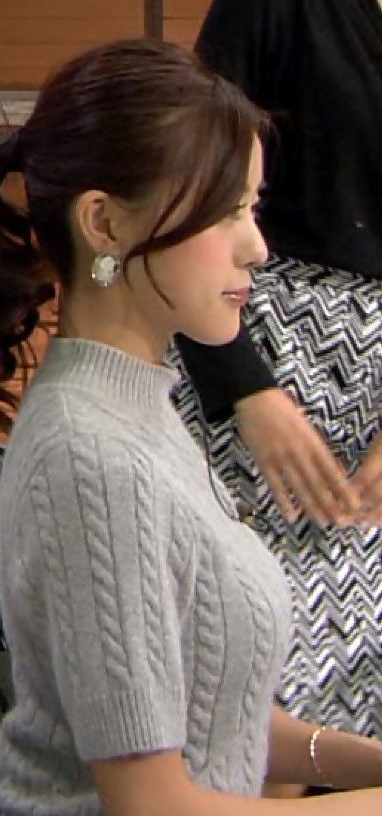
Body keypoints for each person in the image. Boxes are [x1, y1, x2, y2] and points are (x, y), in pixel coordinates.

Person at [0, 38, 382, 816]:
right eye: (227, 212)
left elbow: (212, 713)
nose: (258, 248)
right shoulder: (90, 456)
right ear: (105, 222)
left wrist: (358, 762)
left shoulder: (145, 413)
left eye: (254, 208)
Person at [168, 0, 382, 740]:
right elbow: (186, 187)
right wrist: (247, 390)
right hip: (255, 341)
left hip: (372, 408)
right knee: (254, 685)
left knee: (355, 696)